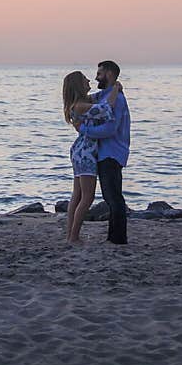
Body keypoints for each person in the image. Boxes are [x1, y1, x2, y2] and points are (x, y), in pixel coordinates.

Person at [62, 71, 121, 244]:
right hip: (86, 152)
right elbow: (105, 108)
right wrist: (116, 89)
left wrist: (112, 88)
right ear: (78, 85)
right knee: (87, 197)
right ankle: (74, 236)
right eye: (85, 79)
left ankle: (70, 235)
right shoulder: (80, 105)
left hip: (79, 151)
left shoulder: (81, 102)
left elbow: (100, 96)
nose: (89, 80)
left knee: (77, 195)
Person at [78, 61, 130, 244]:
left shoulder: (118, 100)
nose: (96, 77)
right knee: (112, 197)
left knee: (113, 197)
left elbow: (110, 129)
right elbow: (84, 99)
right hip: (105, 152)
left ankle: (118, 239)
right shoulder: (106, 95)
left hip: (112, 153)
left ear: (108, 73)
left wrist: (83, 129)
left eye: (99, 73)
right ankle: (114, 237)